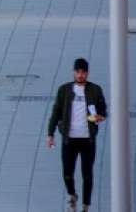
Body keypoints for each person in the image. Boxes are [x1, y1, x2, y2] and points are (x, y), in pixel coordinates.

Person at [47, 58, 107, 212]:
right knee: (67, 172)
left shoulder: (95, 90)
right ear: (73, 72)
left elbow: (103, 110)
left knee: (87, 174)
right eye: (78, 72)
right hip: (70, 139)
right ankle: (72, 194)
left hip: (87, 140)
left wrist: (99, 117)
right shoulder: (64, 90)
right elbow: (56, 112)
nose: (80, 75)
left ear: (87, 73)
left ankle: (86, 205)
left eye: (83, 72)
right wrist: (50, 133)